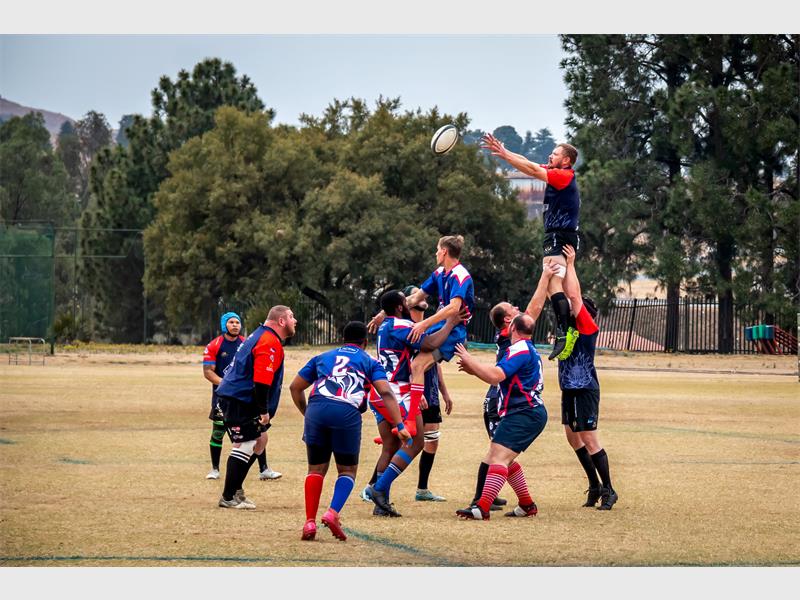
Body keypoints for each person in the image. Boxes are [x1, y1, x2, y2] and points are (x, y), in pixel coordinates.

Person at [289, 321, 411, 541]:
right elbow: (386, 393)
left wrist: (308, 414)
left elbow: (295, 387)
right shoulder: (370, 361)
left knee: (315, 469)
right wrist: (400, 425)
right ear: (365, 342)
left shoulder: (322, 357)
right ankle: (332, 512)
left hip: (316, 409)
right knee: (347, 471)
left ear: (343, 339)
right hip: (346, 412)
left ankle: (309, 523)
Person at [466, 264, 561, 512]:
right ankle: (482, 499)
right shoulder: (512, 337)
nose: (519, 310)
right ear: (509, 321)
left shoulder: (515, 340)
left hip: (515, 402)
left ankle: (483, 502)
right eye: (513, 309)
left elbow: (533, 311)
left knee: (499, 454)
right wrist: (545, 275)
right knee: (498, 454)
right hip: (500, 402)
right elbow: (535, 308)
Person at [481, 134, 581, 361]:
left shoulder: (563, 176)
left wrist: (505, 155)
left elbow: (533, 171)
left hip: (557, 234)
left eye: (555, 154)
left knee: (552, 282)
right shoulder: (560, 174)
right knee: (561, 287)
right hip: (562, 234)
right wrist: (506, 152)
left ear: (566, 161)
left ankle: (565, 332)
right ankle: (568, 329)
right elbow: (530, 164)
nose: (550, 155)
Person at [365, 288, 461, 517]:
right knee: (417, 442)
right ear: (400, 307)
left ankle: (381, 503)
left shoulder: (386, 326)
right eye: (405, 301)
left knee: (391, 446)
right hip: (396, 393)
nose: (409, 303)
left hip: (380, 391)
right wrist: (449, 323)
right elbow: (430, 344)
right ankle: (378, 489)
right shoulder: (401, 326)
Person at [368, 235, 474, 431]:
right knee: (407, 362)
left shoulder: (461, 275)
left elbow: (454, 308)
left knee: (417, 365)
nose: (435, 253)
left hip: (454, 329)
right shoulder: (440, 273)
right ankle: (399, 422)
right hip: (440, 324)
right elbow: (416, 297)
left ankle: (409, 422)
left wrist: (424, 325)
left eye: (436, 249)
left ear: (444, 251)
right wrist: (382, 313)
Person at [454, 313, 547, 520]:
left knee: (498, 458)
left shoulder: (519, 349)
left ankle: (482, 508)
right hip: (525, 412)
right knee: (501, 459)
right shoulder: (525, 348)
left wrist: (471, 359)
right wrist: (474, 370)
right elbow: (498, 376)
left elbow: (496, 376)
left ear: (513, 328)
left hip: (524, 412)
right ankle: (526, 505)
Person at [214, 305, 296, 509]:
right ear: (282, 321)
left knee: (260, 440)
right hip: (240, 399)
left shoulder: (263, 336)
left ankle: (236, 490)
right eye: (292, 317)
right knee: (245, 445)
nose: (295, 321)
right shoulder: (269, 341)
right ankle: (228, 497)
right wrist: (263, 411)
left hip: (239, 397)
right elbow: (261, 381)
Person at [560, 245, 618, 510]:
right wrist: (553, 271)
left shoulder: (587, 325)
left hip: (584, 388)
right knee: (573, 436)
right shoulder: (568, 326)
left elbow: (573, 294)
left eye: (577, 308)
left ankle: (609, 490)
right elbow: (560, 294)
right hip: (569, 389)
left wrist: (571, 264)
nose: (572, 309)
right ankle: (594, 486)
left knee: (589, 437)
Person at [202, 312, 245, 480]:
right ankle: (215, 469)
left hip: (243, 397)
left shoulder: (246, 344)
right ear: (224, 325)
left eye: (238, 322)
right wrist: (227, 385)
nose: (235, 325)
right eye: (231, 322)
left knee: (253, 432)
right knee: (218, 432)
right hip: (222, 398)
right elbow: (208, 372)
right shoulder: (214, 345)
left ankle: (264, 469)